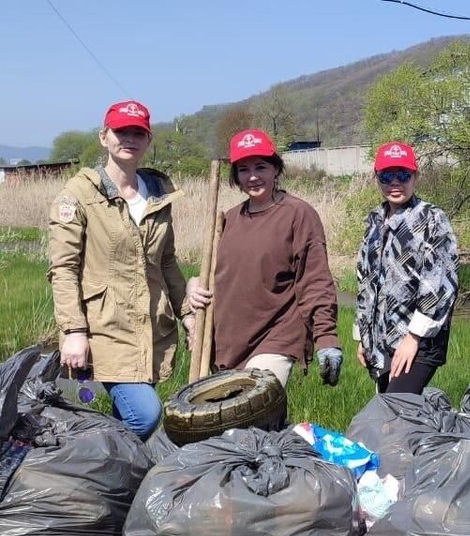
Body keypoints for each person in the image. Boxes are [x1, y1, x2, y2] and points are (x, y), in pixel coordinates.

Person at [47, 100, 191, 439]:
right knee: (144, 414)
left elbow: (167, 262)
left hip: (150, 326)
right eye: (120, 131)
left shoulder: (158, 195)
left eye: (138, 132)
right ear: (104, 137)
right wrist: (73, 330)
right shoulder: (79, 195)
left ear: (148, 140)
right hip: (104, 328)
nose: (129, 138)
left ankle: (114, 484)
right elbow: (64, 269)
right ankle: (88, 463)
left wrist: (187, 313)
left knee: (124, 417)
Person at [186, 129, 342, 388]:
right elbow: (218, 275)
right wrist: (193, 289)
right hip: (230, 343)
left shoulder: (297, 215)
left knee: (255, 407)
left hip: (277, 337)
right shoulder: (227, 221)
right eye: (244, 169)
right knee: (236, 426)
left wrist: (326, 338)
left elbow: (315, 280)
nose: (253, 176)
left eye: (261, 167)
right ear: (235, 175)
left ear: (275, 170)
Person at [353, 141, 459, 394]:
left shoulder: (432, 219)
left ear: (416, 176)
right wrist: (363, 336)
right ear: (377, 178)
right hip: (380, 340)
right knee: (390, 417)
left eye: (403, 175)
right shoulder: (374, 221)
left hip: (419, 340)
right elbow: (365, 280)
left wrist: (413, 339)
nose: (395, 183)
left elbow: (440, 285)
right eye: (387, 176)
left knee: (394, 413)